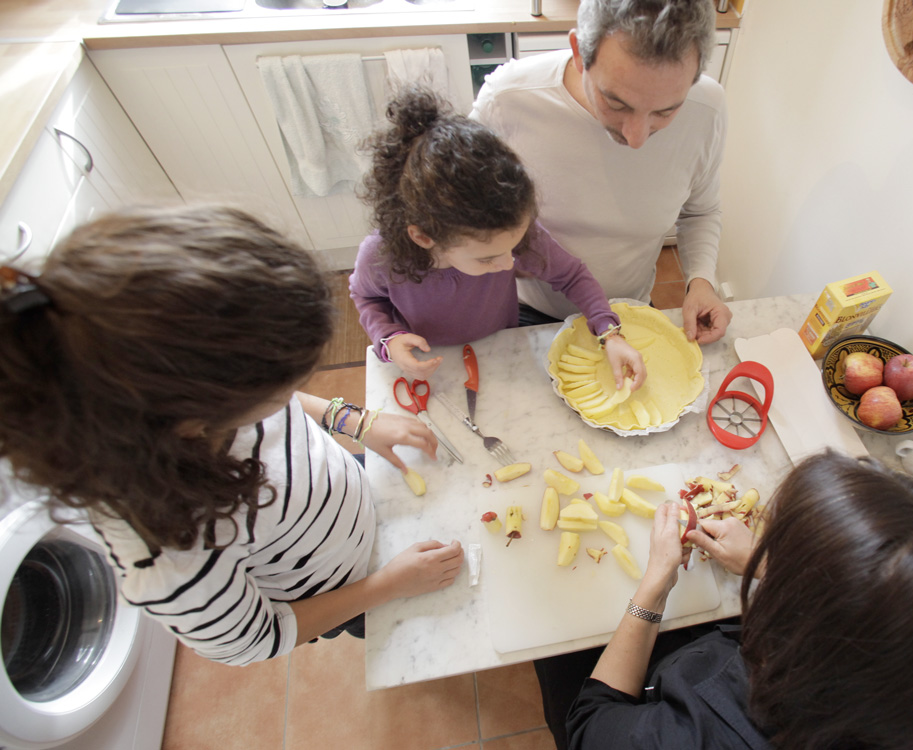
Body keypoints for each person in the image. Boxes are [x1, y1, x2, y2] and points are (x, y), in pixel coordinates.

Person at [0, 205, 465, 666]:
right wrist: (388, 585)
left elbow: (279, 407)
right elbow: (257, 639)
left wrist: (352, 421)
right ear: (197, 418)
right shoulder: (168, 553)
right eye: (282, 384)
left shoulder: (182, 394)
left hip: (349, 500)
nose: (292, 392)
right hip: (345, 586)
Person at [536, 450, 913, 749]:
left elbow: (591, 726)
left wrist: (654, 587)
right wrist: (765, 567)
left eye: (782, 550)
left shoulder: (712, 728)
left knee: (560, 652)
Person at [471, 0, 733, 345]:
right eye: (617, 104)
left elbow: (701, 211)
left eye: (666, 111)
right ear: (579, 53)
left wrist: (701, 280)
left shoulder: (707, 110)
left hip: (628, 309)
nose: (636, 138)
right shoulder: (508, 100)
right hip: (528, 312)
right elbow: (464, 210)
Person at [350, 86, 645, 387]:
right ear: (425, 238)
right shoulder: (380, 256)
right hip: (425, 361)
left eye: (513, 249)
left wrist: (609, 332)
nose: (508, 265)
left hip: (501, 346)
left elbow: (571, 275)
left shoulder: (506, 231)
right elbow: (366, 296)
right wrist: (388, 338)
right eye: (488, 258)